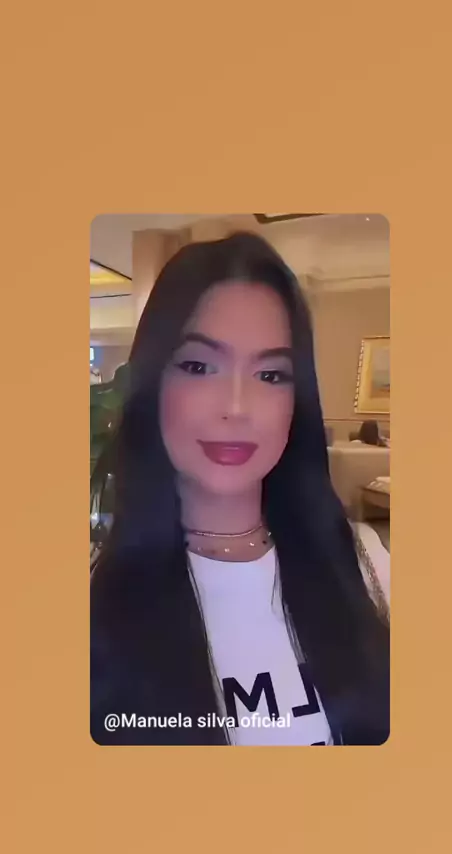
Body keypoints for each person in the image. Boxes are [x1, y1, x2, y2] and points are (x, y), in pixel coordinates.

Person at [90, 231, 390, 746]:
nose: (236, 407)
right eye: (198, 367)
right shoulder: (95, 600)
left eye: (271, 375)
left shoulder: (366, 564)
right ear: (152, 383)